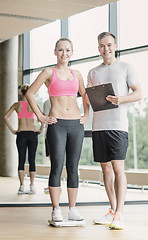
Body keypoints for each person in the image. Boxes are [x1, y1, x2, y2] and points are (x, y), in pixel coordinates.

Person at [25, 38, 89, 222]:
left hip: (76, 124)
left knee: (73, 168)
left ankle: (73, 208)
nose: (64, 53)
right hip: (57, 124)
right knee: (57, 166)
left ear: (72, 53)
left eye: (68, 50)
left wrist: (86, 115)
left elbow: (85, 96)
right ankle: (56, 209)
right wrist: (41, 117)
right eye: (61, 50)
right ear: (55, 52)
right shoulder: (48, 72)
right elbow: (29, 93)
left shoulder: (77, 74)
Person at [87, 32, 142, 230]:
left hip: (118, 126)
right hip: (99, 125)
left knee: (118, 167)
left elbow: (138, 93)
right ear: (98, 48)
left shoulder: (126, 67)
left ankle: (119, 213)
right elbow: (92, 98)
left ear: (115, 45)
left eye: (109, 45)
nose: (105, 49)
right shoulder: (92, 72)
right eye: (102, 46)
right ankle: (111, 210)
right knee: (105, 168)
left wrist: (121, 99)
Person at [4, 84, 44, 194]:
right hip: (32, 133)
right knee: (32, 160)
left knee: (21, 160)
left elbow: (5, 117)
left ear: (21, 93)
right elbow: (42, 117)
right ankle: (32, 185)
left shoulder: (17, 105)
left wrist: (12, 130)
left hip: (21, 134)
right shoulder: (33, 105)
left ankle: (22, 186)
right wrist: (40, 129)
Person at [43, 99, 51, 193]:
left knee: (53, 162)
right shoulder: (47, 102)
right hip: (49, 133)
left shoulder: (47, 102)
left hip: (49, 133)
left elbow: (44, 118)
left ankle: (54, 185)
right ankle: (55, 185)